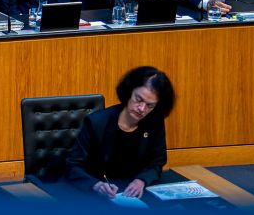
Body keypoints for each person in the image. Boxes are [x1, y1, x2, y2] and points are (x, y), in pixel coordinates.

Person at [66, 66, 174, 199]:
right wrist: (95, 185)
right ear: (129, 92)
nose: (141, 109)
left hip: (134, 193)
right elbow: (72, 165)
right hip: (99, 192)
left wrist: (141, 180)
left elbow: (157, 162)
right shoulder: (97, 122)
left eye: (149, 105)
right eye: (139, 99)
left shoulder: (154, 122)